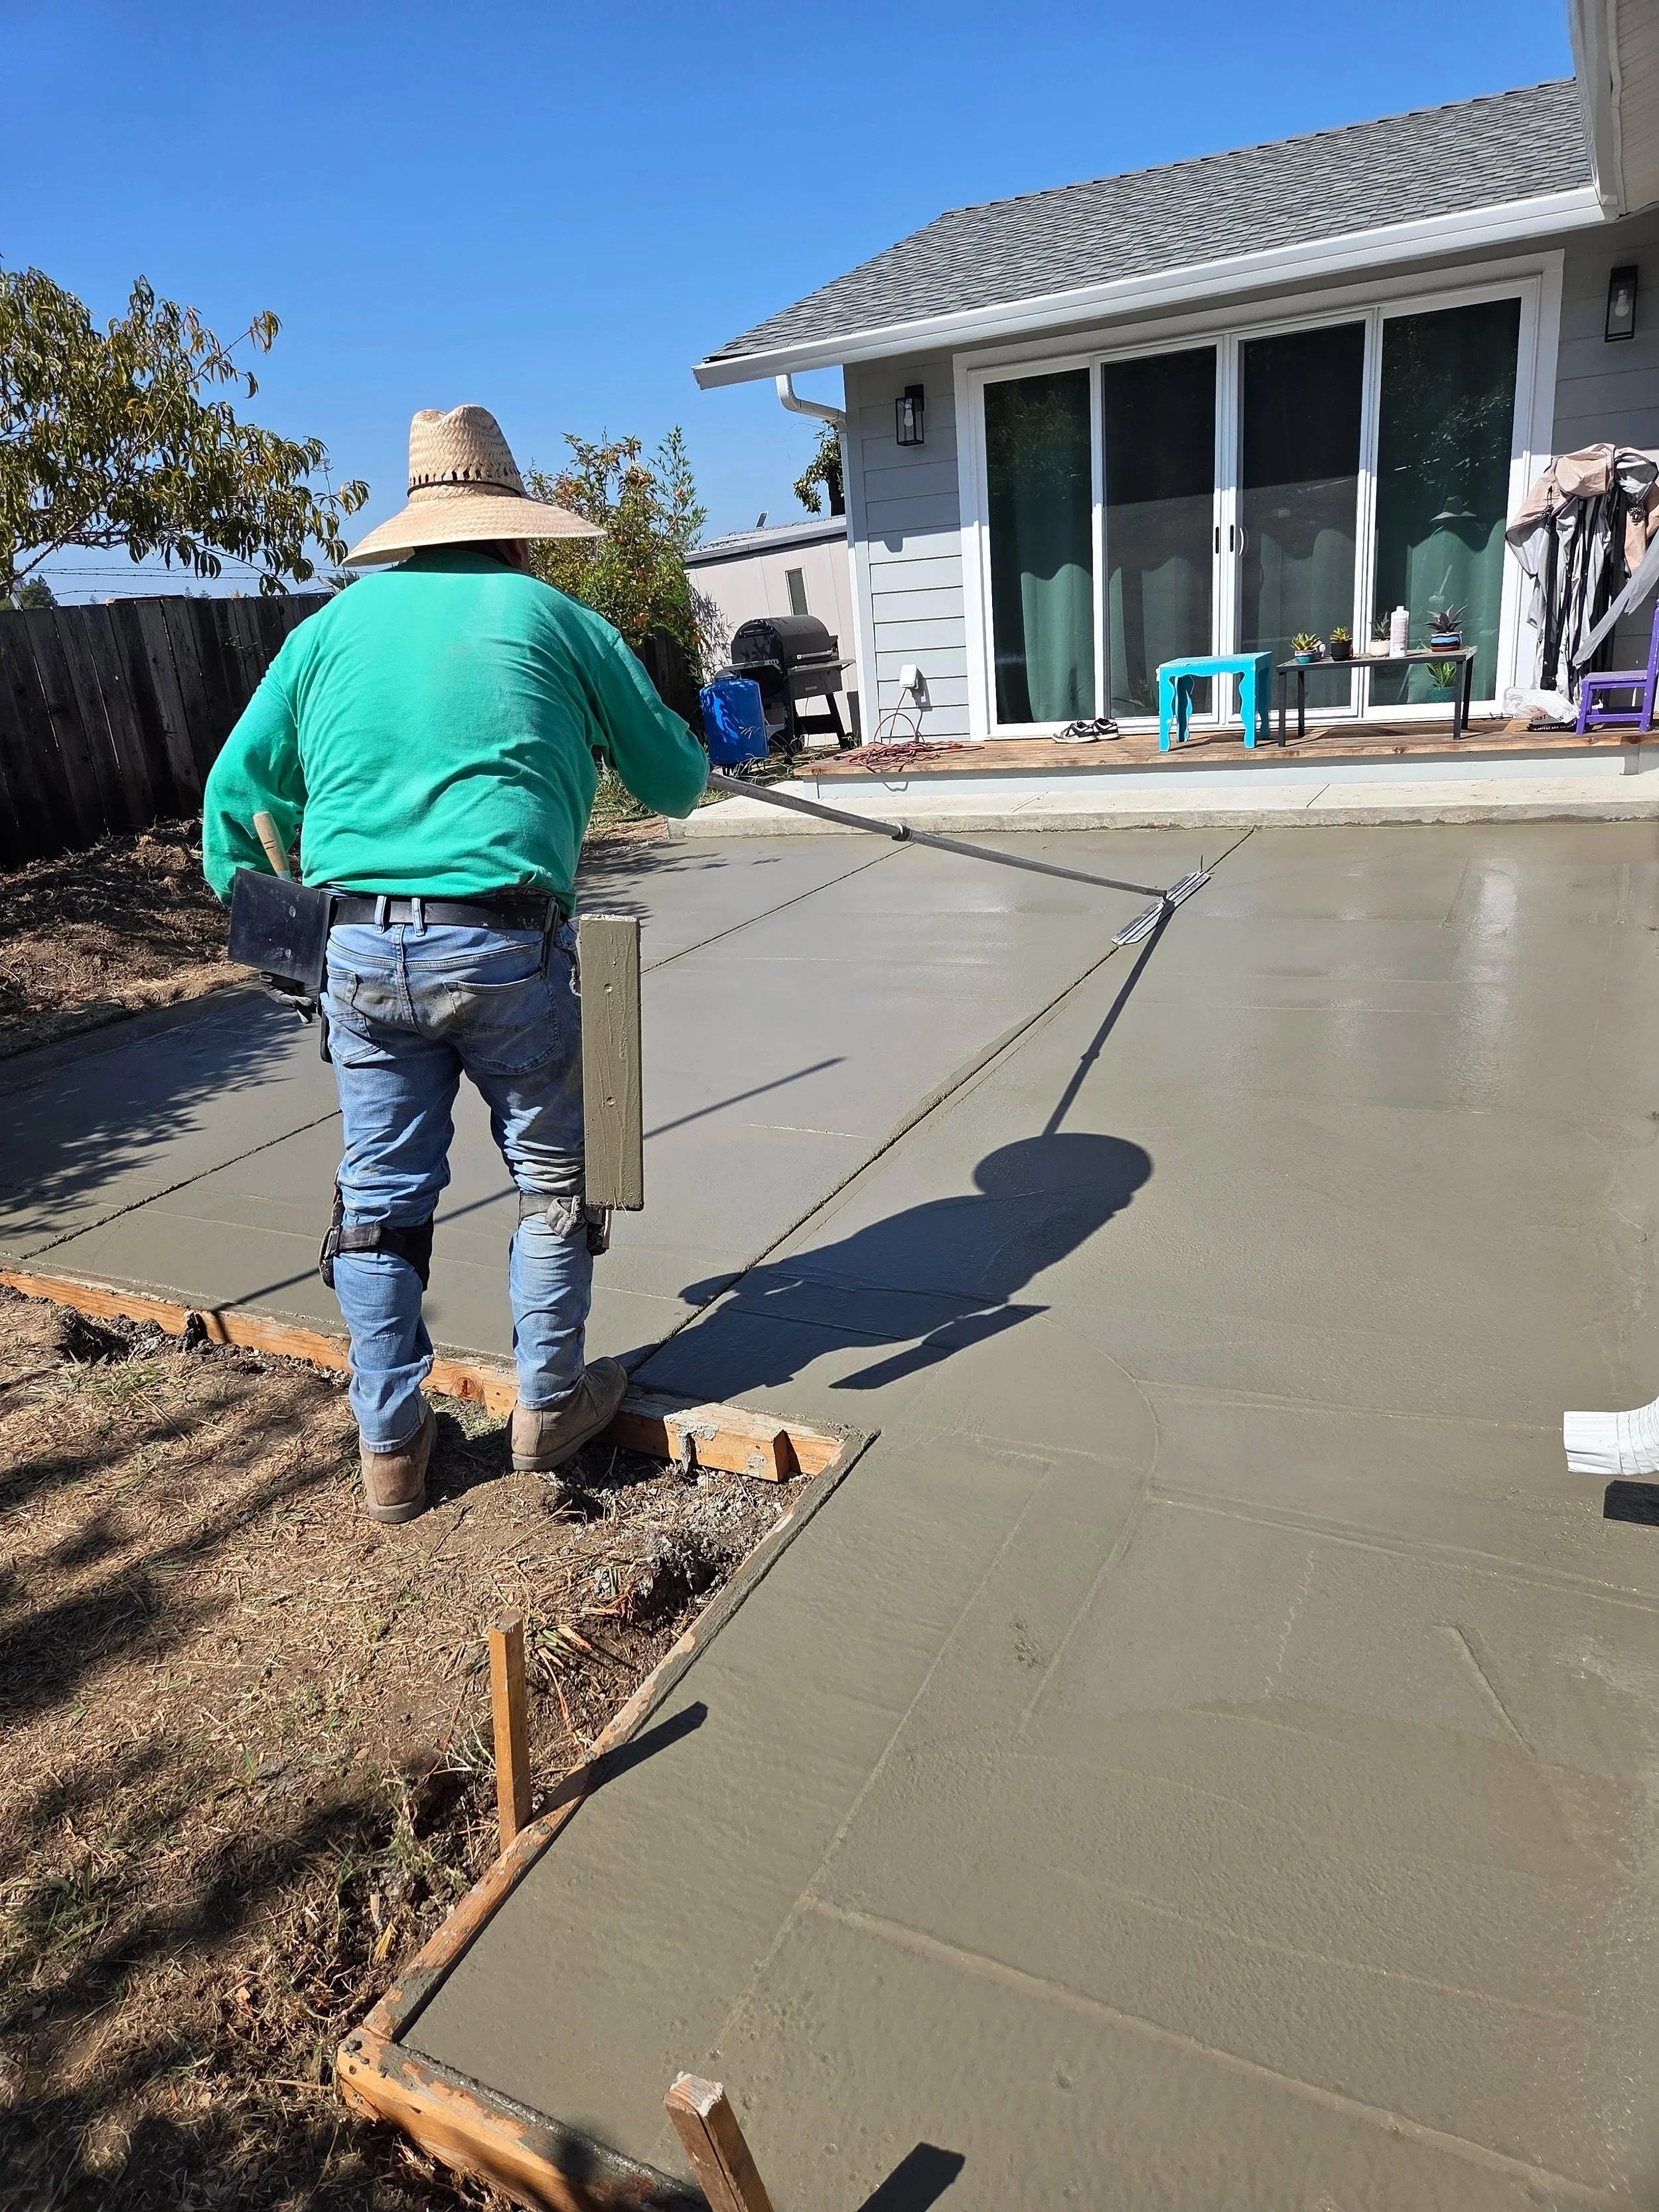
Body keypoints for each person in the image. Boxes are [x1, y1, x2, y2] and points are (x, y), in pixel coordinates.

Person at [201, 406, 708, 1525]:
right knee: (555, 1181)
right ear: (514, 526)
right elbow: (675, 783)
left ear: (411, 530)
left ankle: (391, 1445)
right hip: (506, 942)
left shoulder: (327, 634)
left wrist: (277, 927)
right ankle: (549, 1406)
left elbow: (237, 799)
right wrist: (630, 734)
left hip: (358, 947)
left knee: (380, 1201)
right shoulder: (557, 620)